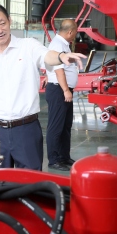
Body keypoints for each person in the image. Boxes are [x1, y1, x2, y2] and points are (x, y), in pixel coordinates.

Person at [0, 3, 85, 170]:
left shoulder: (28, 46)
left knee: (31, 181)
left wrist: (61, 56)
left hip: (26, 130)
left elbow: (47, 56)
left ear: (9, 20)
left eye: (2, 23)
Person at [45, 19, 79, 171]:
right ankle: (54, 160)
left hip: (63, 89)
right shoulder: (58, 45)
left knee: (65, 126)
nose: (75, 35)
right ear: (70, 32)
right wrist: (65, 90)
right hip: (59, 90)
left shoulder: (63, 44)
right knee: (56, 127)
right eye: (75, 32)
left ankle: (64, 157)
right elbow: (59, 70)